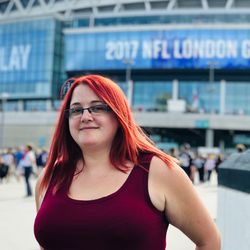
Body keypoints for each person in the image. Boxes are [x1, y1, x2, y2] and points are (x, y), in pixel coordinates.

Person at [34, 75, 220, 250]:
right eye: (75, 110)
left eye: (98, 107)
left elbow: (209, 241)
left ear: (118, 114)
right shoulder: (49, 177)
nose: (85, 117)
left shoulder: (157, 171)